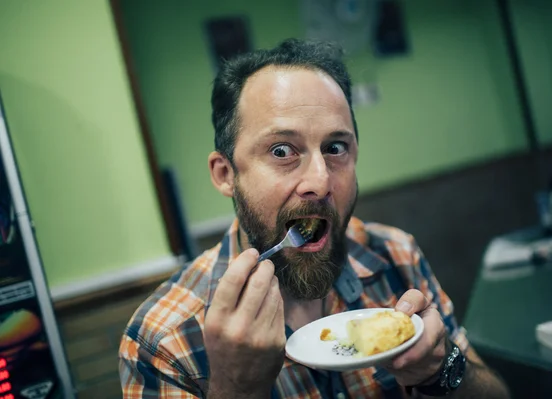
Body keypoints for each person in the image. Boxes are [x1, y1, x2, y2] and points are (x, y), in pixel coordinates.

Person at [119, 38, 511, 399]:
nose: (320, 182)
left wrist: (440, 369)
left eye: (335, 147)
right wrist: (237, 390)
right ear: (225, 174)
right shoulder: (163, 340)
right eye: (281, 151)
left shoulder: (396, 255)